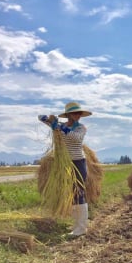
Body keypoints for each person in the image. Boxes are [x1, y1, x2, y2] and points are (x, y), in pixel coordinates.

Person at [38, 102, 92, 237]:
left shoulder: (81, 128)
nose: (78, 115)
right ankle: (76, 225)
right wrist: (49, 120)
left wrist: (59, 126)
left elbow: (75, 138)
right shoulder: (60, 126)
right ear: (68, 114)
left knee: (79, 193)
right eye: (75, 113)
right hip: (64, 164)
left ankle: (81, 228)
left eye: (79, 113)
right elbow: (40, 117)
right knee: (72, 194)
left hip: (78, 163)